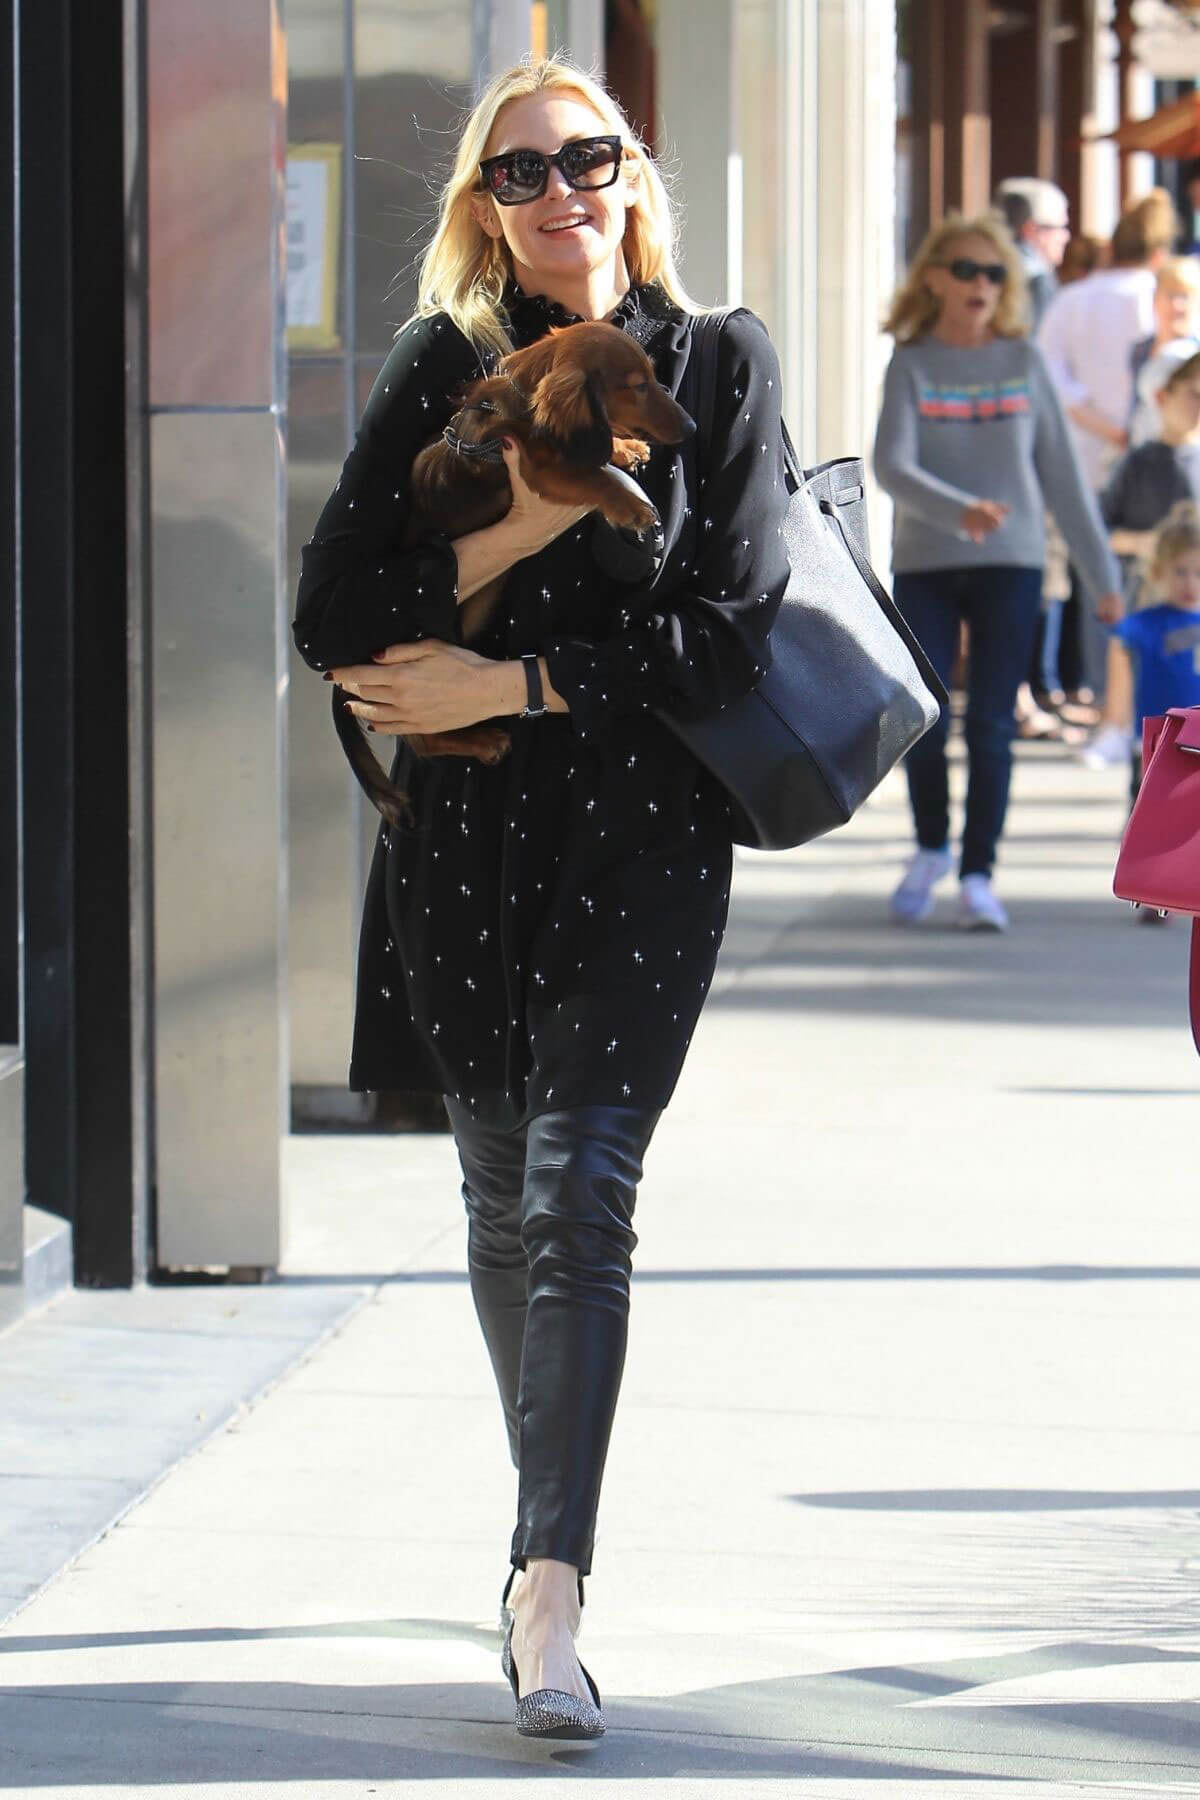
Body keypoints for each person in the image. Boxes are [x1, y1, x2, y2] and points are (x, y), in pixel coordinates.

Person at [291, 53, 790, 1737]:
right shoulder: (449, 366)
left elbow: (727, 626)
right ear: (483, 212)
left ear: (634, 176)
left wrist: (503, 686)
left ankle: (548, 1592)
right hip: (460, 850)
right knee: (504, 1198)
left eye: (587, 159)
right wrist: (508, 536)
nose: (560, 189)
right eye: (520, 173)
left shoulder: (718, 363)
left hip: (644, 841)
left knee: (582, 1192)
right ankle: (537, 1558)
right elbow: (337, 605)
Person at [873, 211, 1122, 932]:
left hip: (1011, 566)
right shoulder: (912, 359)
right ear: (934, 279)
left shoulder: (1023, 362)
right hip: (927, 562)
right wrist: (959, 512)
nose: (982, 284)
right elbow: (892, 463)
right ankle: (929, 848)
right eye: (967, 270)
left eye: (995, 273)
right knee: (920, 713)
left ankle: (979, 871)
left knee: (989, 722)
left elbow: (1064, 482)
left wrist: (1102, 579)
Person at [1037, 189, 1178, 703]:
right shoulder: (1164, 294)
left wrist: (1101, 424)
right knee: (1166, 580)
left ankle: (1104, 699)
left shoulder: (1074, 299)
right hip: (1152, 461)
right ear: (1161, 249)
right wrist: (1127, 429)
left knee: (1098, 582)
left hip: (1083, 457)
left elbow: (1051, 380)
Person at [1082, 351, 1200, 771]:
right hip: (1148, 605)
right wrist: (1144, 543)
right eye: (1193, 394)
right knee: (1151, 742)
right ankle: (1116, 729)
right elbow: (1101, 530)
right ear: (1163, 396)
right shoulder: (1138, 462)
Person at [1104, 499, 1200, 841]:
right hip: (1155, 741)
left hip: (1199, 740)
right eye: (1180, 571)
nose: (1190, 582)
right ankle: (1144, 884)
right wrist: (1114, 718)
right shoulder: (1144, 624)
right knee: (1146, 823)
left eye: (1198, 572)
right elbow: (1119, 653)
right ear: (1159, 571)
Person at [1128, 258, 1200, 447]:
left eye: (1185, 296)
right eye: (1170, 295)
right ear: (1155, 299)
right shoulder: (1140, 349)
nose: (1177, 305)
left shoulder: (1196, 354)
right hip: (1144, 453)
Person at [994, 177, 1071, 333]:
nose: (1066, 236)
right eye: (1061, 227)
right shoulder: (1037, 281)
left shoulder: (983, 271)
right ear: (1031, 230)